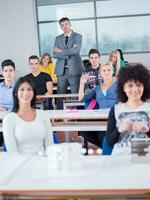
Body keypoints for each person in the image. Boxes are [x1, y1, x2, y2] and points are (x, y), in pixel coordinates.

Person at [106, 63, 150, 155]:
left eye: (138, 85)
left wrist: (147, 130)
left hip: (143, 152)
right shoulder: (115, 109)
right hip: (120, 153)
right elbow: (109, 142)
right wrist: (119, 130)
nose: (135, 89)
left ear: (144, 86)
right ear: (123, 88)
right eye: (130, 85)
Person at [3, 77, 54, 155]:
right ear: (15, 93)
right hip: (20, 165)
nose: (26, 93)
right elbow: (12, 153)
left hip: (43, 163)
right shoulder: (9, 119)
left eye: (29, 89)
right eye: (22, 89)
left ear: (33, 93)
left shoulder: (43, 115)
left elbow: (50, 147)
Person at [78, 63, 118, 148]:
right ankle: (105, 147)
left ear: (113, 72)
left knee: (103, 134)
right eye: (104, 70)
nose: (106, 72)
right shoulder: (97, 88)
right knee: (84, 130)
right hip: (102, 117)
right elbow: (81, 99)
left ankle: (106, 148)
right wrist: (82, 83)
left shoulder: (118, 84)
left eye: (109, 70)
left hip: (115, 116)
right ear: (100, 73)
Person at [53, 17, 85, 109]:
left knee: (75, 94)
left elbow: (76, 51)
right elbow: (55, 54)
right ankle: (59, 115)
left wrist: (60, 50)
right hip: (61, 71)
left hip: (74, 70)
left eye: (66, 24)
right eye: (62, 25)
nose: (65, 26)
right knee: (60, 95)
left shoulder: (78, 36)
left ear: (70, 24)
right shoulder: (58, 38)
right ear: (60, 27)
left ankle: (76, 116)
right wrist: (69, 51)